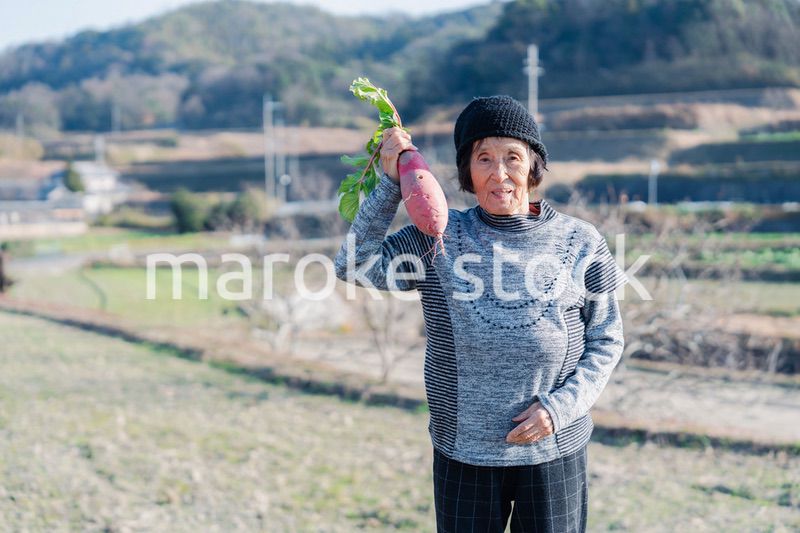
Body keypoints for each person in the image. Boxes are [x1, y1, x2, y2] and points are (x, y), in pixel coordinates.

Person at [334, 95, 628, 532]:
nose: (499, 173)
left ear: (533, 165)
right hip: (464, 454)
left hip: (554, 449)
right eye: (483, 158)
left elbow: (606, 340)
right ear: (467, 172)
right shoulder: (436, 236)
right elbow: (352, 266)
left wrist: (559, 410)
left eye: (513, 157)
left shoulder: (580, 242)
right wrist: (392, 183)